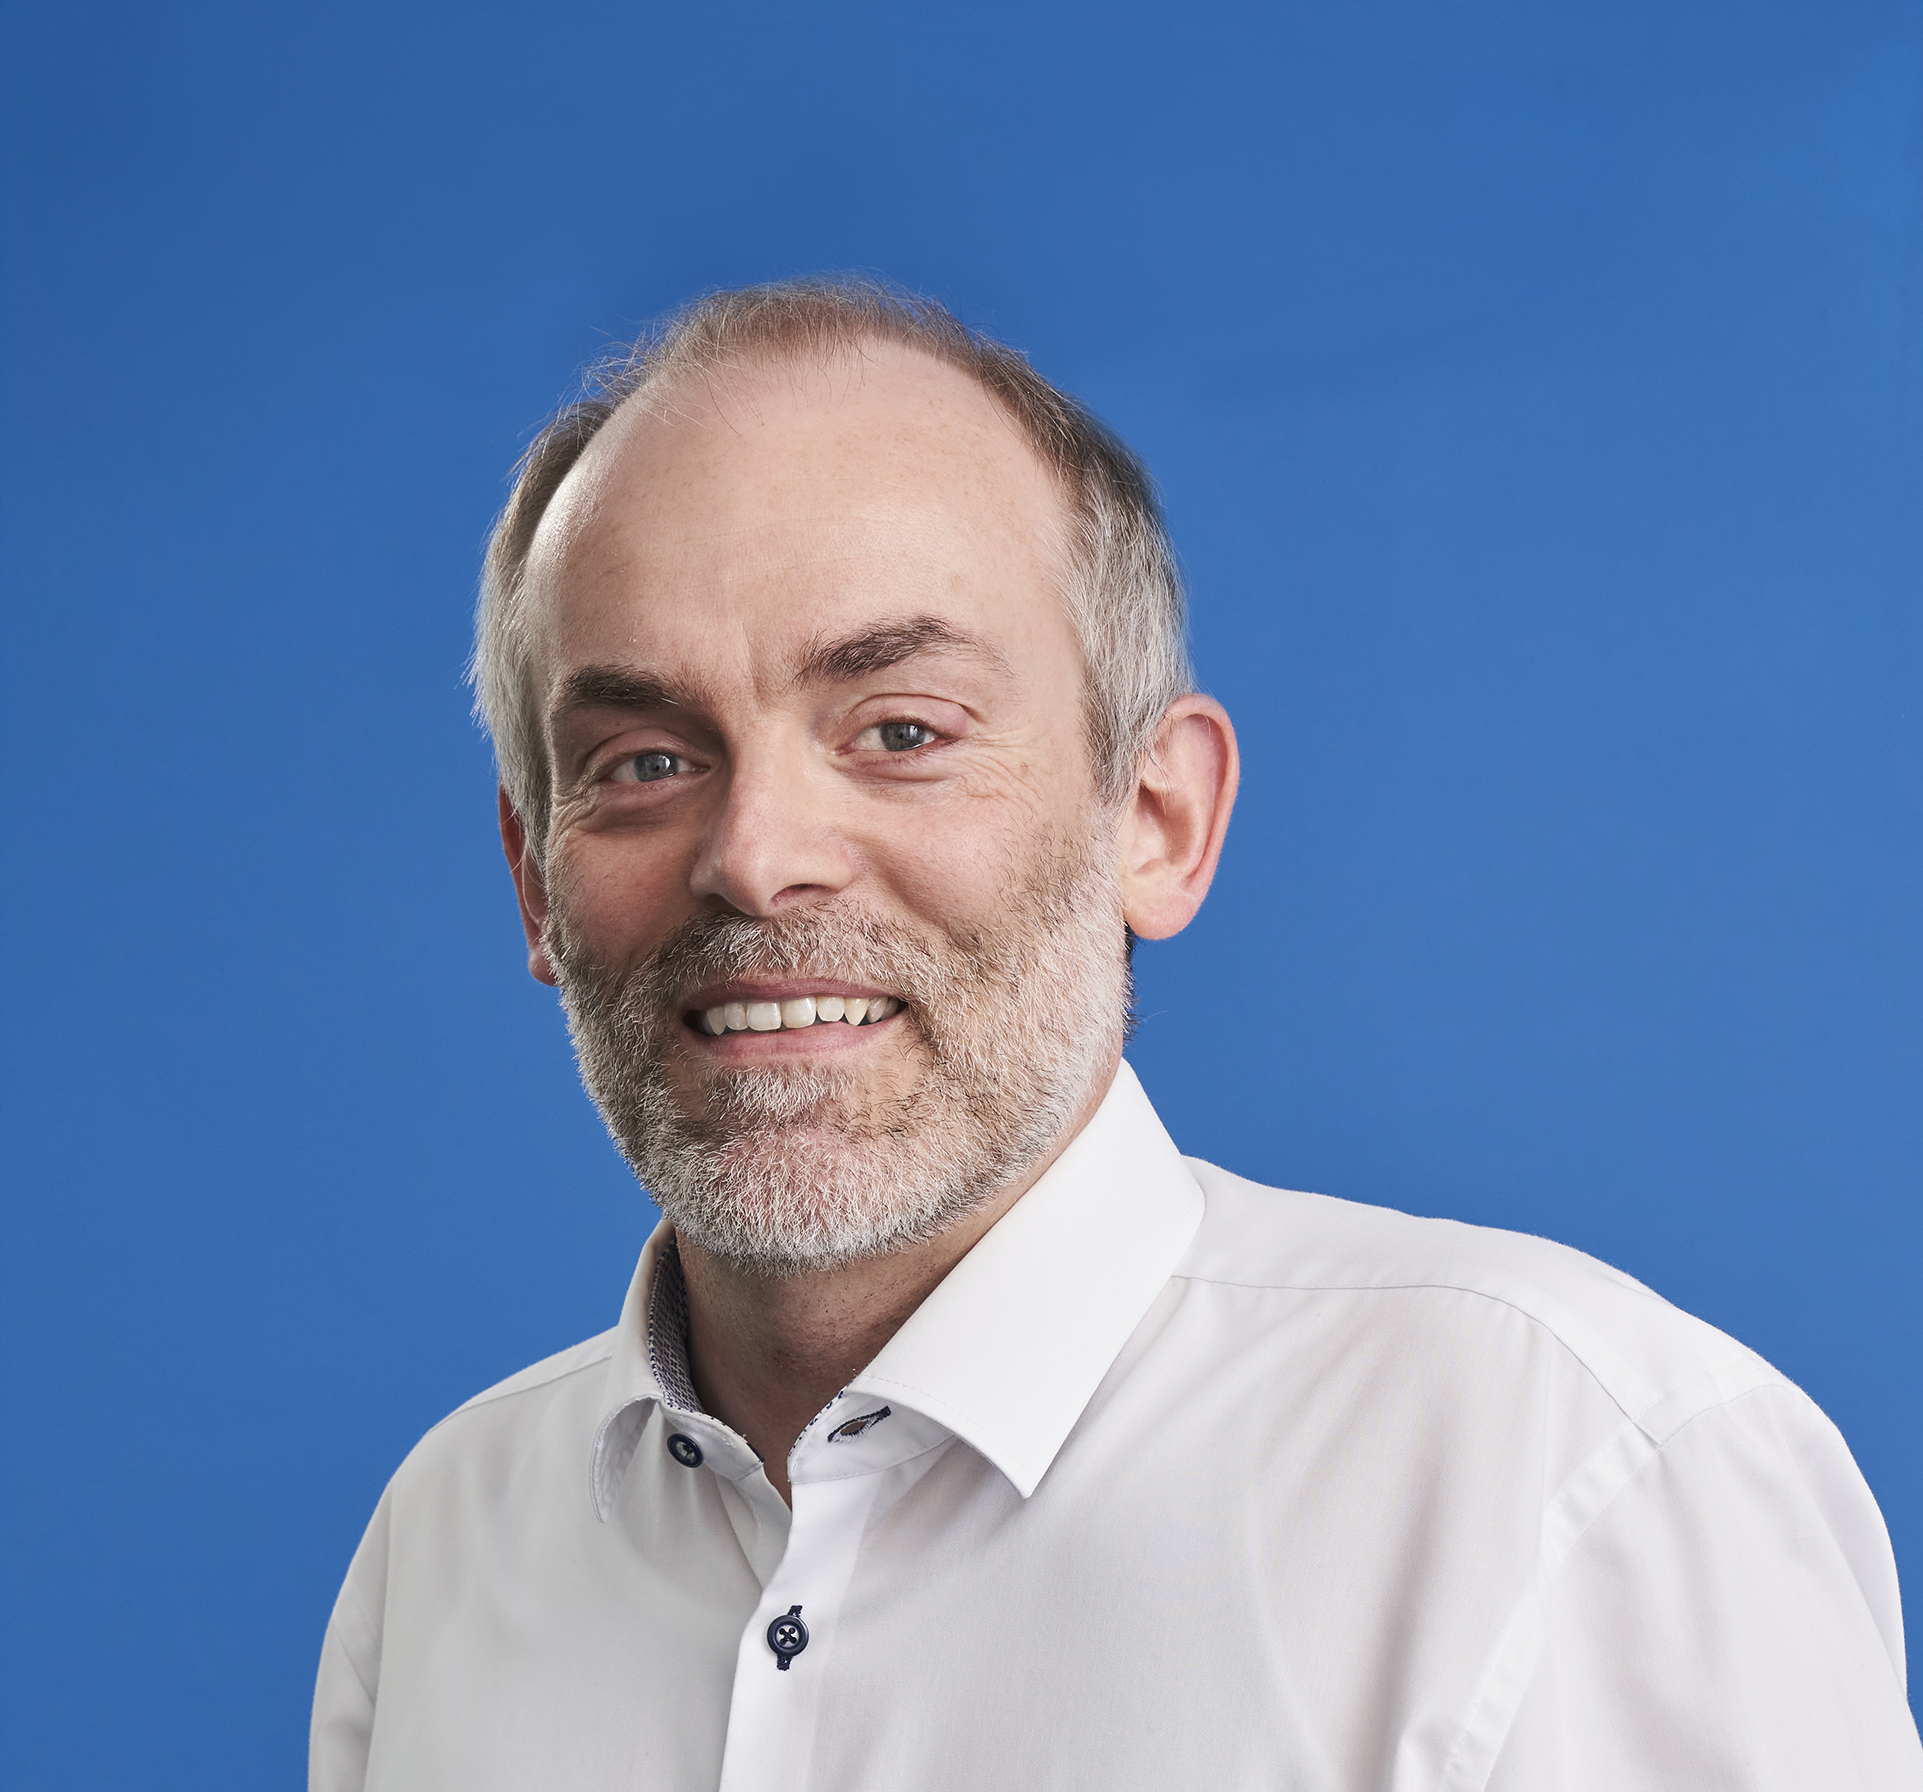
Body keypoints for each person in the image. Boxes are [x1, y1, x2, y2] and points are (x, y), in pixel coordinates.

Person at [310, 278, 1922, 1790]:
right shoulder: (446, 1544)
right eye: (646, 762)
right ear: (534, 880)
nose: (755, 855)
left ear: (1156, 820)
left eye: (900, 729)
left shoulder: (1567, 1474)